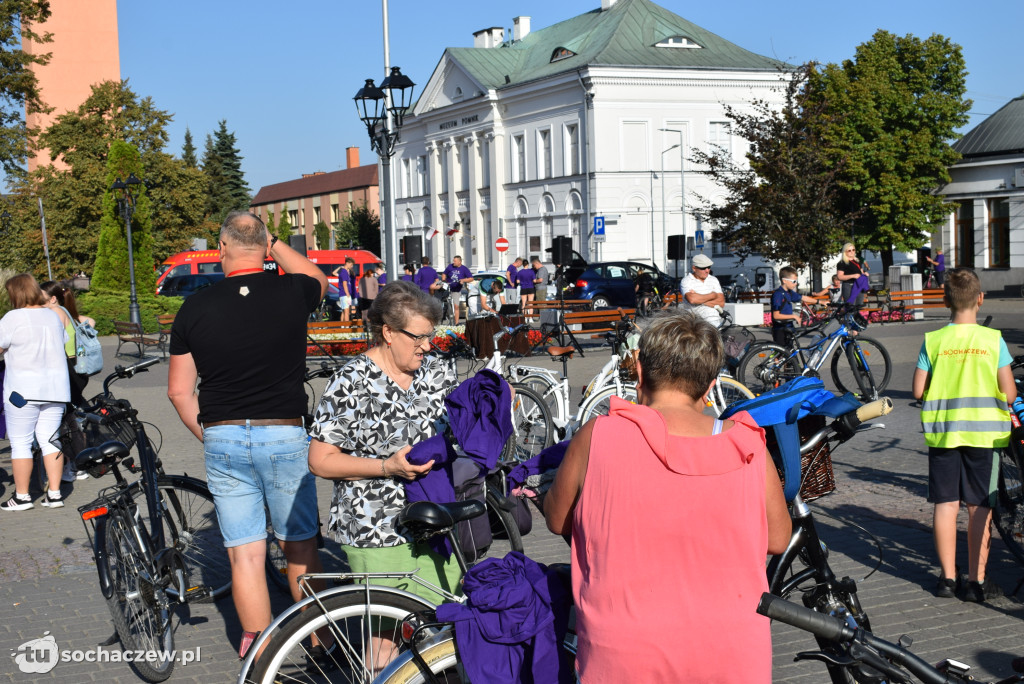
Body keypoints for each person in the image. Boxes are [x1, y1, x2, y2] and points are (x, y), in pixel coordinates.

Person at [544, 311, 790, 682]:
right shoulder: (746, 443)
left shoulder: (599, 435)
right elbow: (778, 537)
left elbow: (557, 518)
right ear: (709, 387)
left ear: (640, 372)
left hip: (624, 654)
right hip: (731, 651)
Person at [167, 211, 329, 659]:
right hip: (283, 433)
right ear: (264, 248)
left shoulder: (195, 307)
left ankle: (259, 651)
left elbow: (179, 392)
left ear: (220, 250)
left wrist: (212, 434)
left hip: (223, 435)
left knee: (244, 553)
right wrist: (274, 242)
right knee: (298, 547)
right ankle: (319, 641)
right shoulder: (292, 290)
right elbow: (317, 276)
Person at [307, 280, 459, 670]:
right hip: (375, 526)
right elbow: (321, 460)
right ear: (388, 333)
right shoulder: (351, 381)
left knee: (444, 624)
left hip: (436, 519)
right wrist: (386, 466)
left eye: (432, 336)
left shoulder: (438, 372)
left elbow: (458, 435)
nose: (428, 346)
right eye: (419, 337)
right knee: (385, 637)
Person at [912, 267, 1015, 603]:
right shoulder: (993, 339)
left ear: (945, 302)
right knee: (979, 506)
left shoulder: (934, 340)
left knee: (945, 503)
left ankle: (947, 579)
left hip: (944, 435)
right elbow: (1009, 392)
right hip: (985, 437)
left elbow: (917, 390)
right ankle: (977, 582)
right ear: (980, 299)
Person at [0, 274, 71, 511]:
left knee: (20, 443)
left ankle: (22, 497)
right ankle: (55, 493)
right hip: (55, 390)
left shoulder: (12, 318)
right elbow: (63, 341)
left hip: (22, 392)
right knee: (51, 440)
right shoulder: (52, 316)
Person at [770, 267, 819, 345]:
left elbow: (803, 297)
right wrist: (794, 316)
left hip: (788, 327)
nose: (796, 283)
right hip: (780, 329)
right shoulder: (778, 294)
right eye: (794, 281)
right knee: (781, 354)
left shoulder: (789, 293)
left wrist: (819, 301)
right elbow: (776, 315)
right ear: (784, 280)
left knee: (789, 353)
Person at [680, 253, 724, 327]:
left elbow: (721, 303)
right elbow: (692, 299)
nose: (707, 270)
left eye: (709, 267)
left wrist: (698, 297)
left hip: (715, 321)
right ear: (694, 268)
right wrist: (713, 295)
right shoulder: (687, 281)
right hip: (696, 323)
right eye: (703, 268)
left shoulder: (713, 280)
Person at [442, 255, 473, 325]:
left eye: (455, 261)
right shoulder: (450, 266)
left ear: (459, 262)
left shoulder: (464, 269)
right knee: (443, 304)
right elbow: (444, 274)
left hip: (456, 290)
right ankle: (442, 319)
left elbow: (471, 278)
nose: (453, 262)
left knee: (456, 306)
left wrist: (463, 280)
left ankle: (456, 323)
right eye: (453, 260)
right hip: (448, 288)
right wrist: (444, 278)